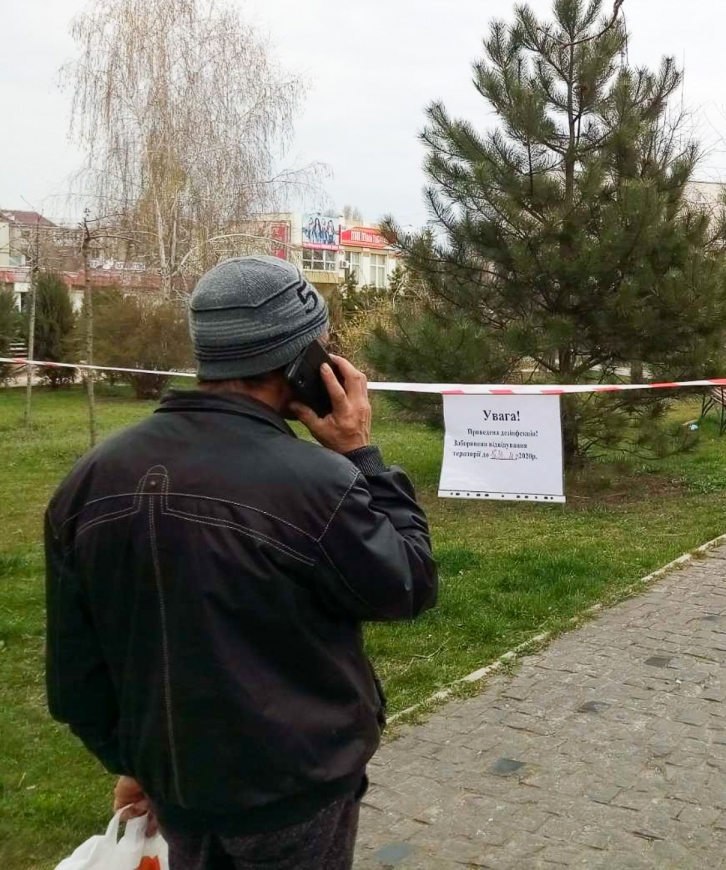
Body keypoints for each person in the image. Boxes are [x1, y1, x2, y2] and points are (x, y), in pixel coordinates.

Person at [44, 256, 438, 870]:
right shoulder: (318, 483)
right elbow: (407, 584)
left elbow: (76, 678)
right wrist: (364, 456)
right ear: (303, 361)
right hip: (296, 796)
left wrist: (136, 763)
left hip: (176, 793)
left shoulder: (88, 479)